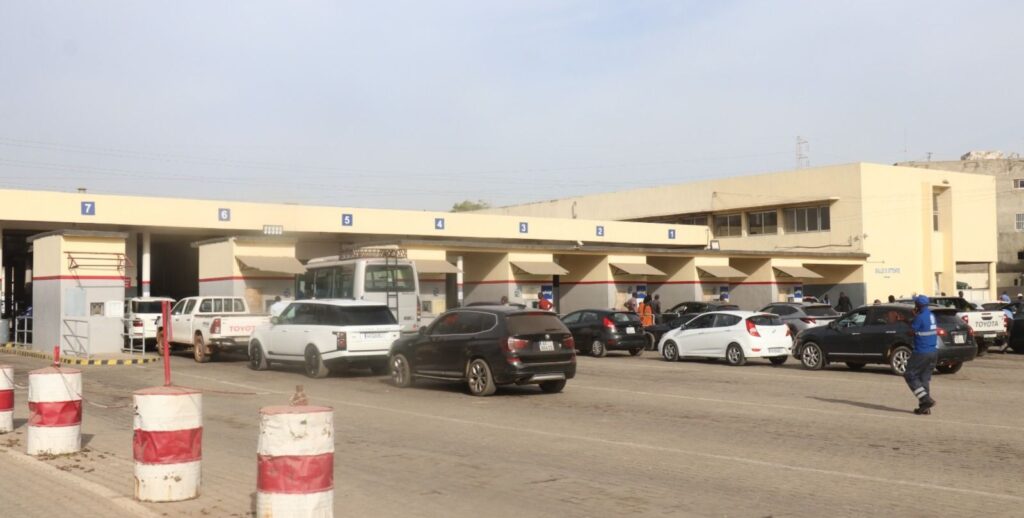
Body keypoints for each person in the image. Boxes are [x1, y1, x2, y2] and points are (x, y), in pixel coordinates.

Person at [906, 295, 938, 415]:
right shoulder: (931, 315)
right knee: (924, 379)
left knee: (909, 374)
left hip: (921, 352)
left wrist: (913, 319)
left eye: (915, 304)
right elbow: (921, 326)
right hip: (933, 352)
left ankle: (925, 399)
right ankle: (924, 407)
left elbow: (911, 332)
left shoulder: (919, 317)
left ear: (918, 305)